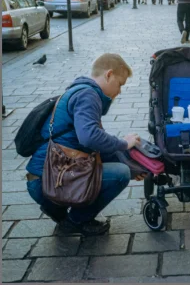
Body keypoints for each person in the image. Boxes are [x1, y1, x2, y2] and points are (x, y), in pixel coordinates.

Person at [25, 54, 146, 236]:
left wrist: (134, 167)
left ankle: (59, 212)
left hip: (47, 176)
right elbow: (89, 137)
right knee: (120, 174)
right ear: (109, 75)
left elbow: (94, 148)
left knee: (121, 167)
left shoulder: (79, 90)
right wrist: (124, 144)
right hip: (49, 180)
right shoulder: (88, 95)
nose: (119, 91)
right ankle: (75, 221)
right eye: (120, 84)